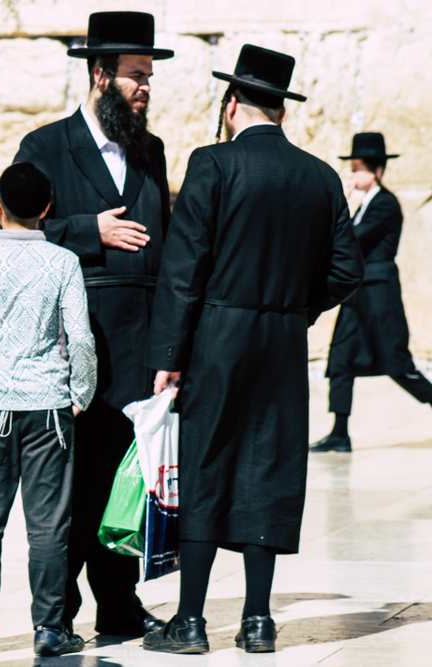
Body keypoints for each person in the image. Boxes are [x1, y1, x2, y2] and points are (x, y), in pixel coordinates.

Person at [142, 45, 364, 654]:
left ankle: (190, 621)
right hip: (283, 341)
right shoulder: (321, 176)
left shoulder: (212, 163)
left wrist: (168, 354)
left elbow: (183, 269)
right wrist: (295, 308)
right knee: (269, 466)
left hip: (218, 335)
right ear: (282, 112)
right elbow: (347, 270)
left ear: (231, 104)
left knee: (206, 464)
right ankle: (259, 621)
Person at [13, 10, 173, 638]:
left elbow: (168, 249)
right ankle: (55, 614)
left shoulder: (152, 151)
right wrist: (89, 230)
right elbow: (14, 231)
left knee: (125, 480)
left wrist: (172, 346)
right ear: (101, 75)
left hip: (139, 342)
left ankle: (119, 603)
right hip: (72, 341)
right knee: (71, 485)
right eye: (136, 75)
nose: (146, 87)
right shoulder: (45, 146)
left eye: (149, 75)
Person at [0, 163, 97, 657]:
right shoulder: (64, 261)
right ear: (47, 208)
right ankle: (50, 629)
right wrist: (81, 393)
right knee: (48, 523)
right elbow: (81, 338)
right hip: (48, 405)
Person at [312, 132, 432, 453]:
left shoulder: (386, 204)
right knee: (341, 358)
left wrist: (341, 202)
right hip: (356, 294)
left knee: (397, 362)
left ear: (376, 170)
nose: (352, 175)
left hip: (380, 293)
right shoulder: (365, 204)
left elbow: (351, 239)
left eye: (357, 169)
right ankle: (340, 433)